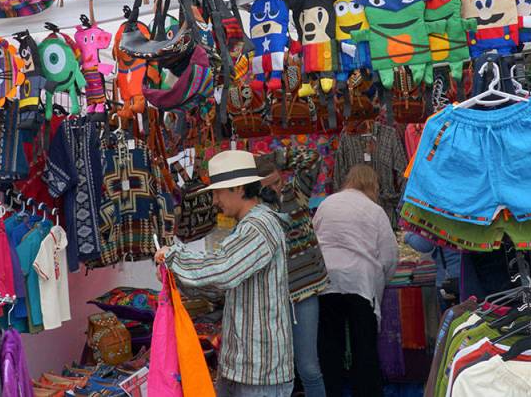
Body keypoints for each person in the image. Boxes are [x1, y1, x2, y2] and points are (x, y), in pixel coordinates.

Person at [155, 149, 294, 397]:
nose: (214, 200)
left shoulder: (260, 226)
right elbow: (221, 286)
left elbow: (223, 269)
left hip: (259, 372)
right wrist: (176, 276)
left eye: (218, 192)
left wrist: (174, 258)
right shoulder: (248, 226)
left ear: (238, 188)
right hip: (242, 366)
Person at [313, 164, 398, 397]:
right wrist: (382, 279)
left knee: (329, 347)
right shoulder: (374, 210)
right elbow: (389, 254)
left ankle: (332, 392)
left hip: (327, 281)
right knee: (365, 348)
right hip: (361, 282)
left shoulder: (326, 204)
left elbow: (314, 241)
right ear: (373, 185)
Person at [257, 147, 329, 397]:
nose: (274, 189)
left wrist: (275, 158)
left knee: (308, 367)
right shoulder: (256, 212)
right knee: (278, 368)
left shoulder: (294, 194)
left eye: (277, 182)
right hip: (273, 297)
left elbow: (313, 158)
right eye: (267, 187)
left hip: (304, 291)